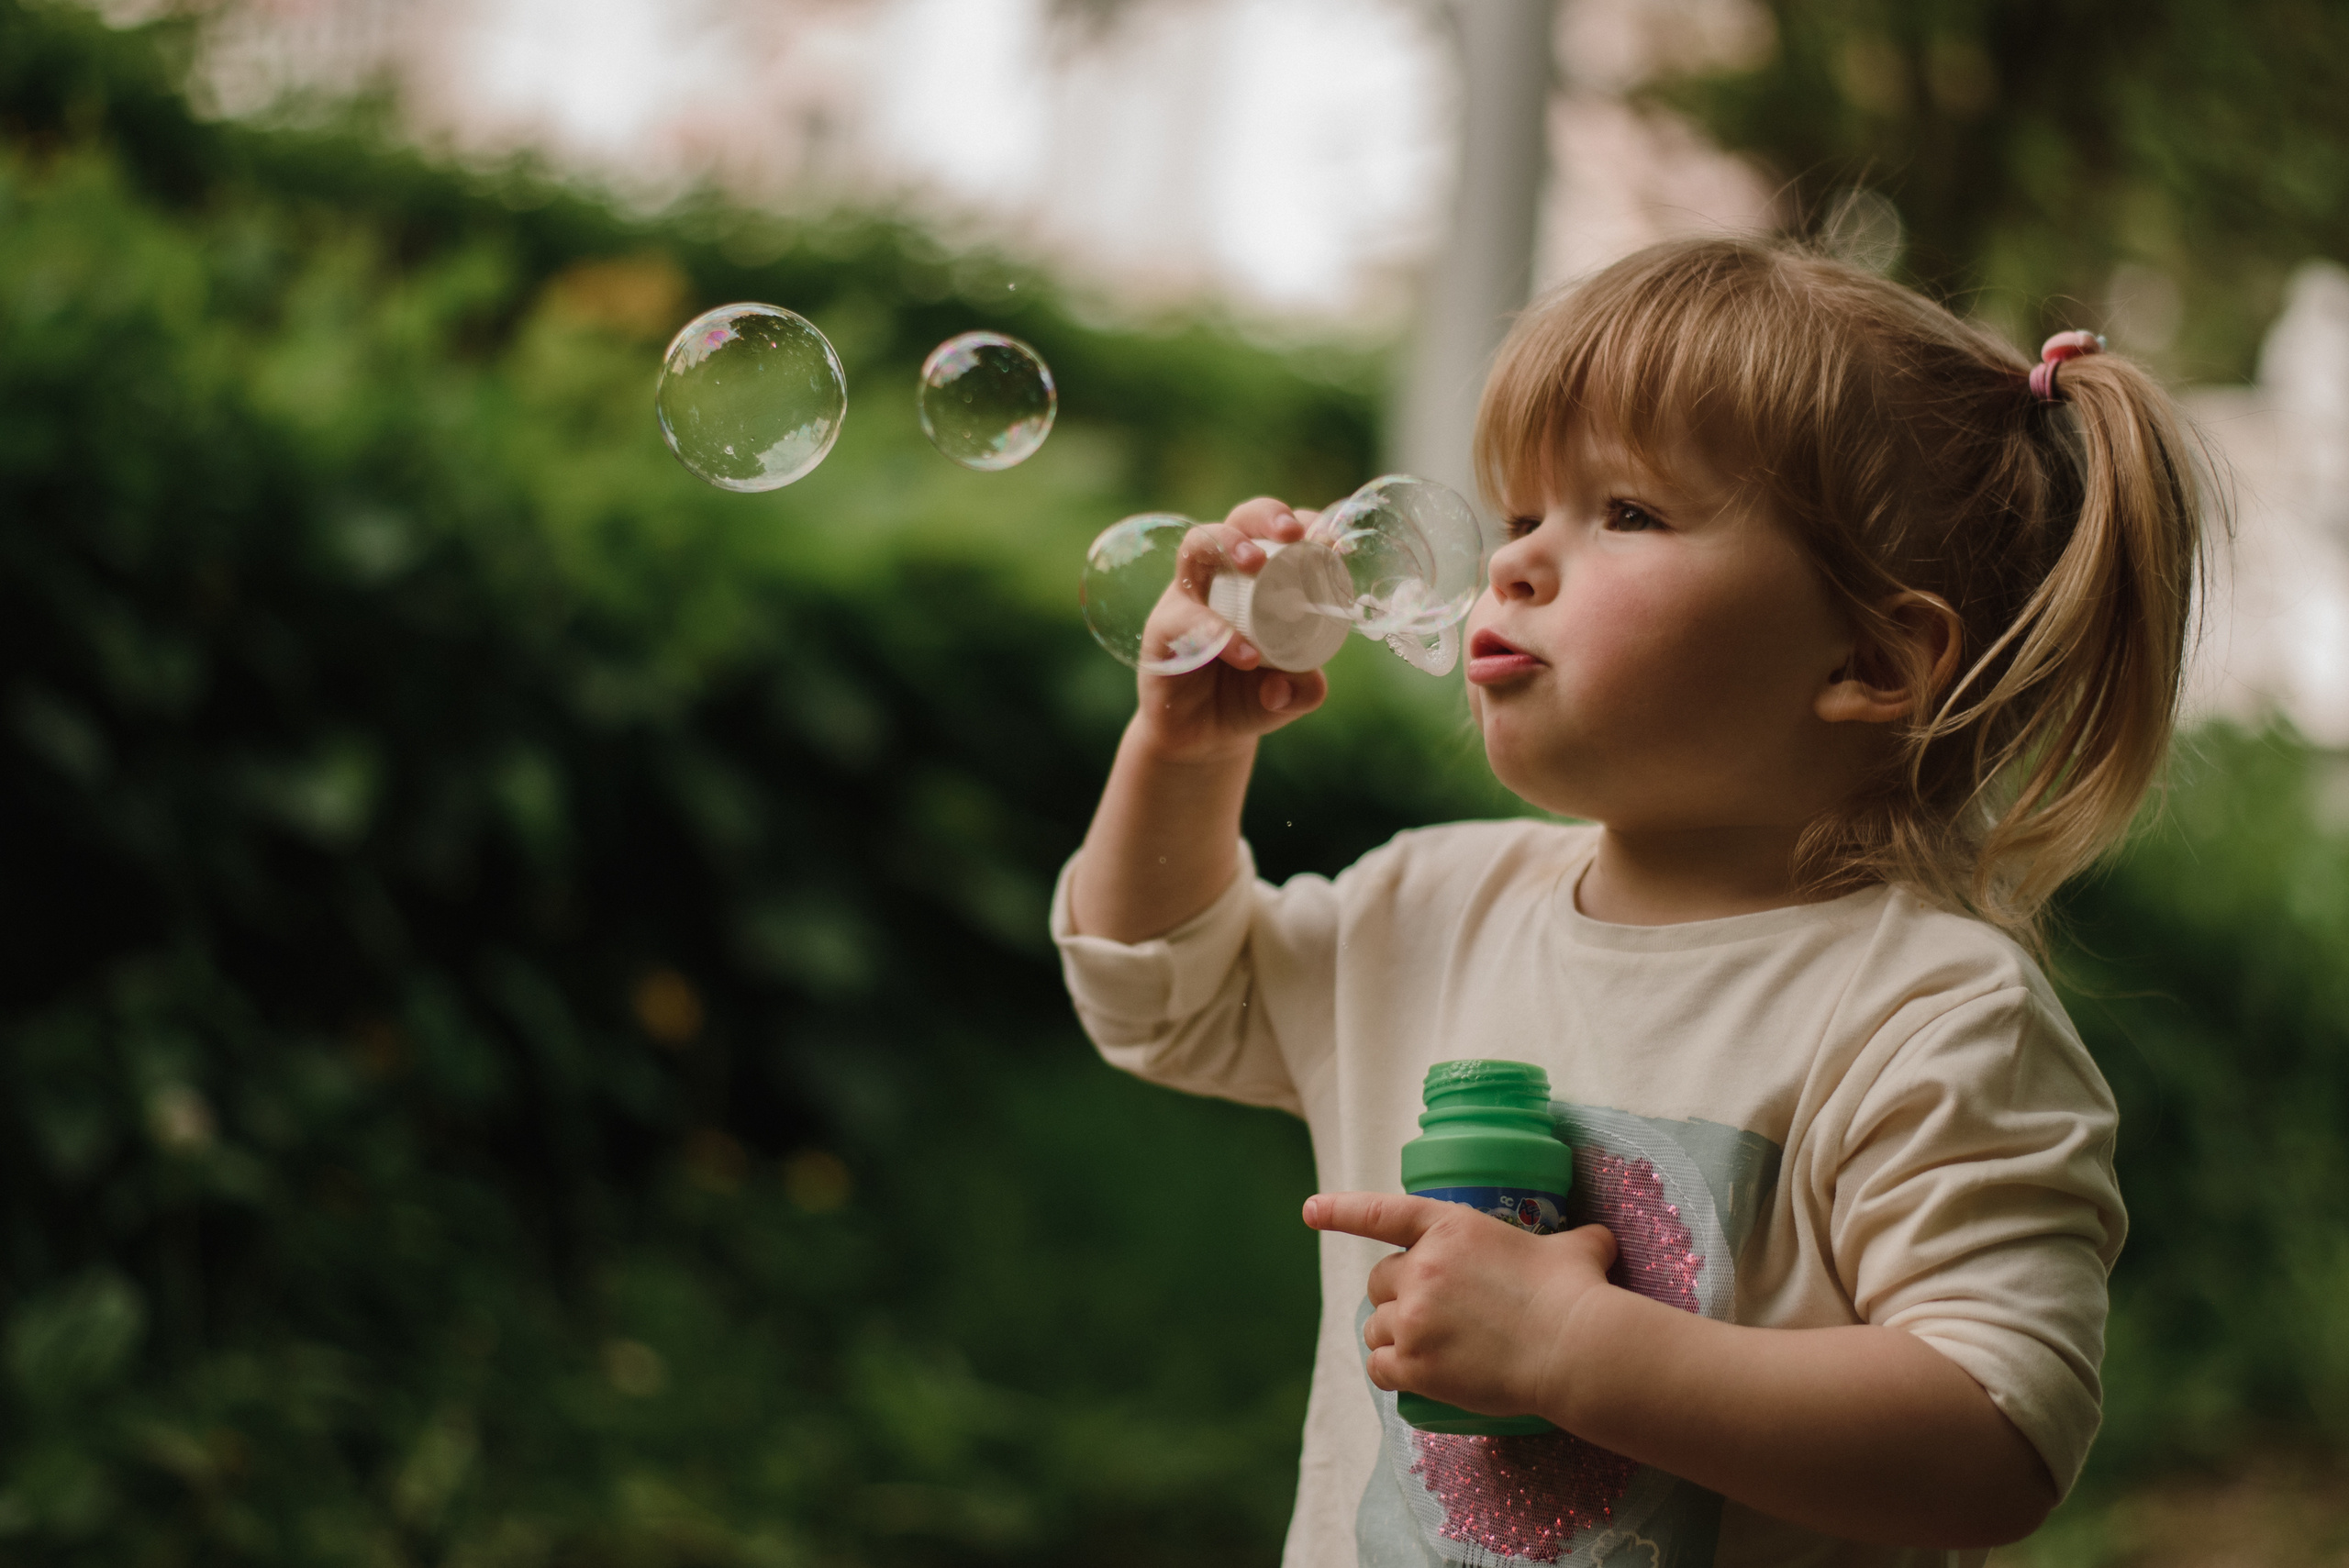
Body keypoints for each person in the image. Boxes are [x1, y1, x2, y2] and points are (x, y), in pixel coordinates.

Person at [1051, 236, 2204, 1568]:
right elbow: (1159, 994)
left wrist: (1574, 1349)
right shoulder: (1429, 903)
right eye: (1522, 514)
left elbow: (1998, 1437)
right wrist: (1182, 760)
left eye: (1629, 513)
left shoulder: (1927, 1014)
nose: (1519, 565)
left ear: (1871, 657)